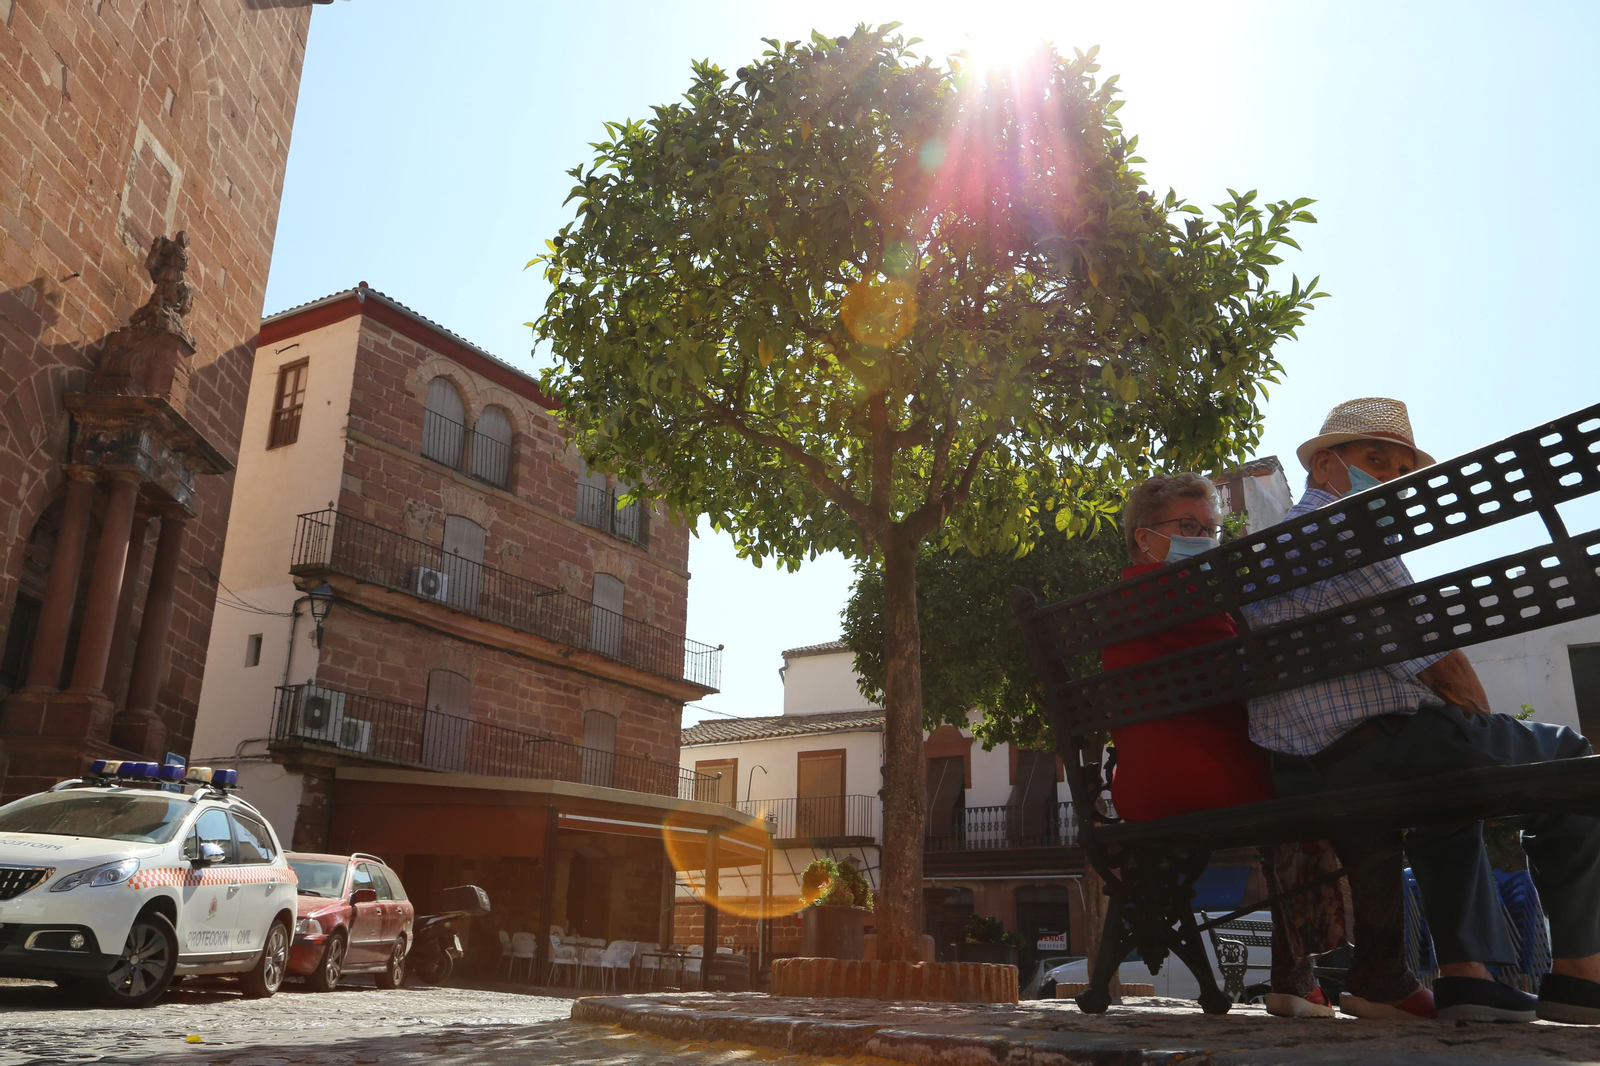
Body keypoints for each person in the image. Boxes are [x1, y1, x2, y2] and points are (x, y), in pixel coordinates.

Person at [1244, 397, 1600, 1025]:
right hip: (1378, 749)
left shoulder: (1259, 554)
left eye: (1397, 471)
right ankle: (1579, 973)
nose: (1386, 479)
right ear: (1325, 464)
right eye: (1373, 460)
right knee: (1570, 759)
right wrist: (1482, 725)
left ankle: (1470, 979)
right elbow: (1446, 669)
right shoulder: (1345, 534)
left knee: (1446, 781)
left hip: (1298, 770)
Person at [1106, 472, 1429, 1019]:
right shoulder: (1180, 592)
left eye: (1211, 529)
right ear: (1144, 536)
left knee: (1315, 782)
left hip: (1140, 786)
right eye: (1188, 526)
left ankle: (1296, 977)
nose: (1204, 539)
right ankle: (1366, 974)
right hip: (1209, 776)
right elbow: (1252, 671)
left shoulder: (1120, 598)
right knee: (1348, 787)